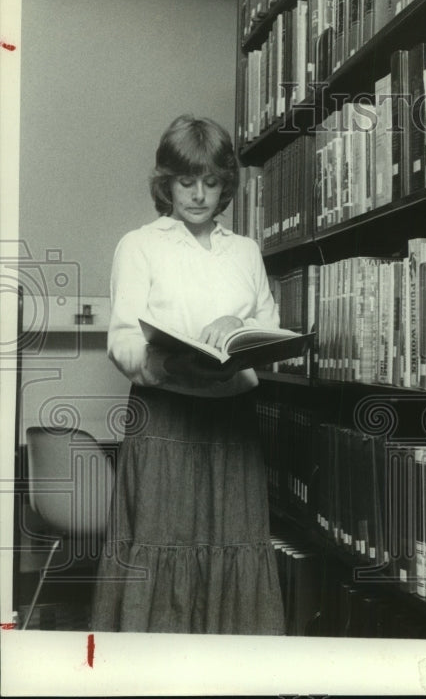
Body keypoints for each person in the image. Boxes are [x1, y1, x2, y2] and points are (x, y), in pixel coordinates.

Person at [91, 115, 285, 635]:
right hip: (166, 419)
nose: (198, 195)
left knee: (234, 544)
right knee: (161, 545)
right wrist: (171, 358)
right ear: (166, 183)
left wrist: (239, 328)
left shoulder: (245, 251)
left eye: (211, 182)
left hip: (233, 420)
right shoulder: (140, 245)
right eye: (185, 181)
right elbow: (122, 340)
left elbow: (268, 328)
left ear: (226, 185)